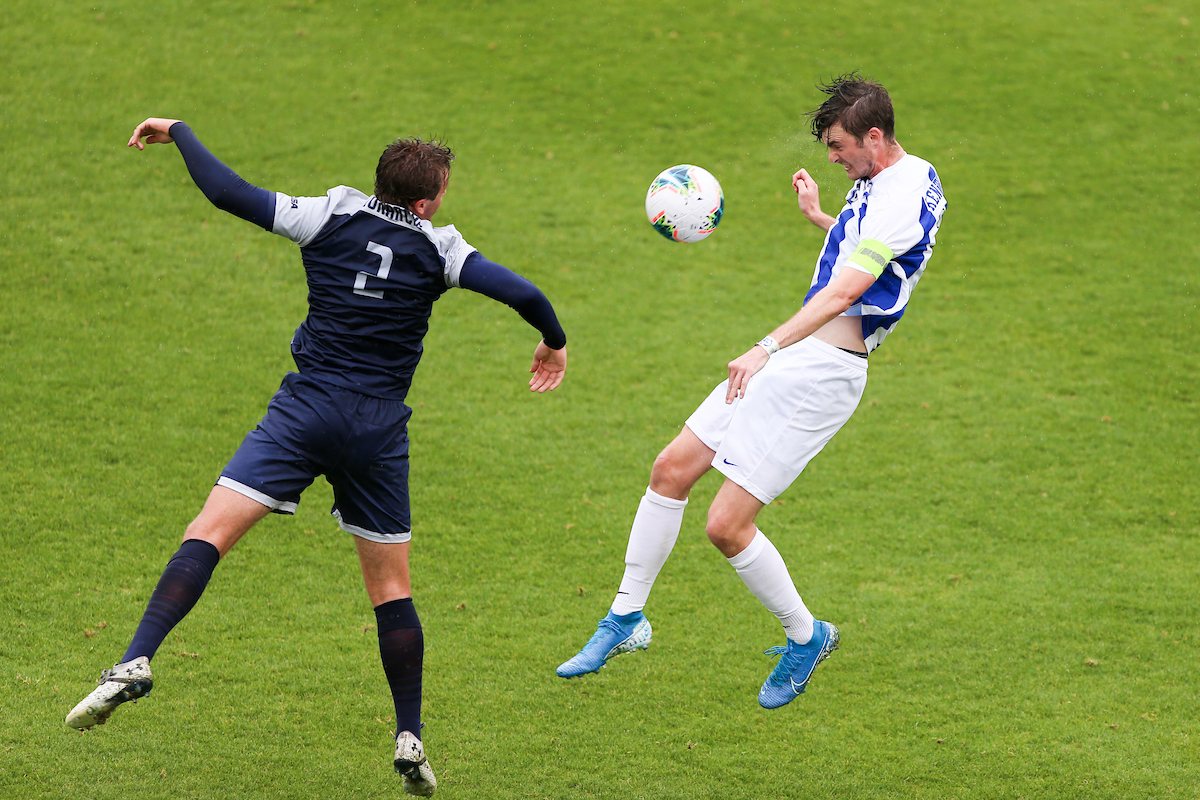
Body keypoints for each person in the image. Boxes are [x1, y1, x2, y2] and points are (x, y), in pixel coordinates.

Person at [66, 117, 568, 796]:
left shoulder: (327, 214)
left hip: (304, 412)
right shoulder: (443, 250)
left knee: (207, 535)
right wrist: (552, 341)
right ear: (424, 203)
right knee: (391, 589)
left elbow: (227, 193)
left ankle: (135, 660)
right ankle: (409, 734)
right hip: (377, 431)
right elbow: (525, 294)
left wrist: (180, 131)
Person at [556, 73, 946, 709]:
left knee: (726, 524)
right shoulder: (903, 176)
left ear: (875, 137)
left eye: (841, 146)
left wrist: (764, 348)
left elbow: (849, 291)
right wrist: (825, 217)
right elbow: (883, 253)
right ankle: (625, 620)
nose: (834, 157)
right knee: (671, 469)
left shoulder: (897, 199)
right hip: (801, 357)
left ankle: (806, 635)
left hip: (823, 373)